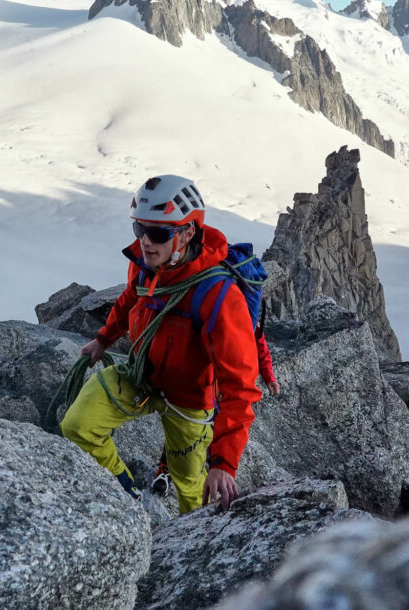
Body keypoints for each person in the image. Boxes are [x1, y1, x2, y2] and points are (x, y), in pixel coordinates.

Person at [60, 175, 264, 514]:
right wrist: (102, 340)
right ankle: (129, 499)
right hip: (142, 376)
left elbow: (240, 387)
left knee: (192, 494)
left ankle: (185, 548)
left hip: (190, 400)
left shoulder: (218, 296)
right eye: (139, 229)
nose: (145, 242)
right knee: (77, 427)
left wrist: (223, 463)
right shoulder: (146, 265)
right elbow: (130, 299)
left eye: (157, 234)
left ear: (187, 233)